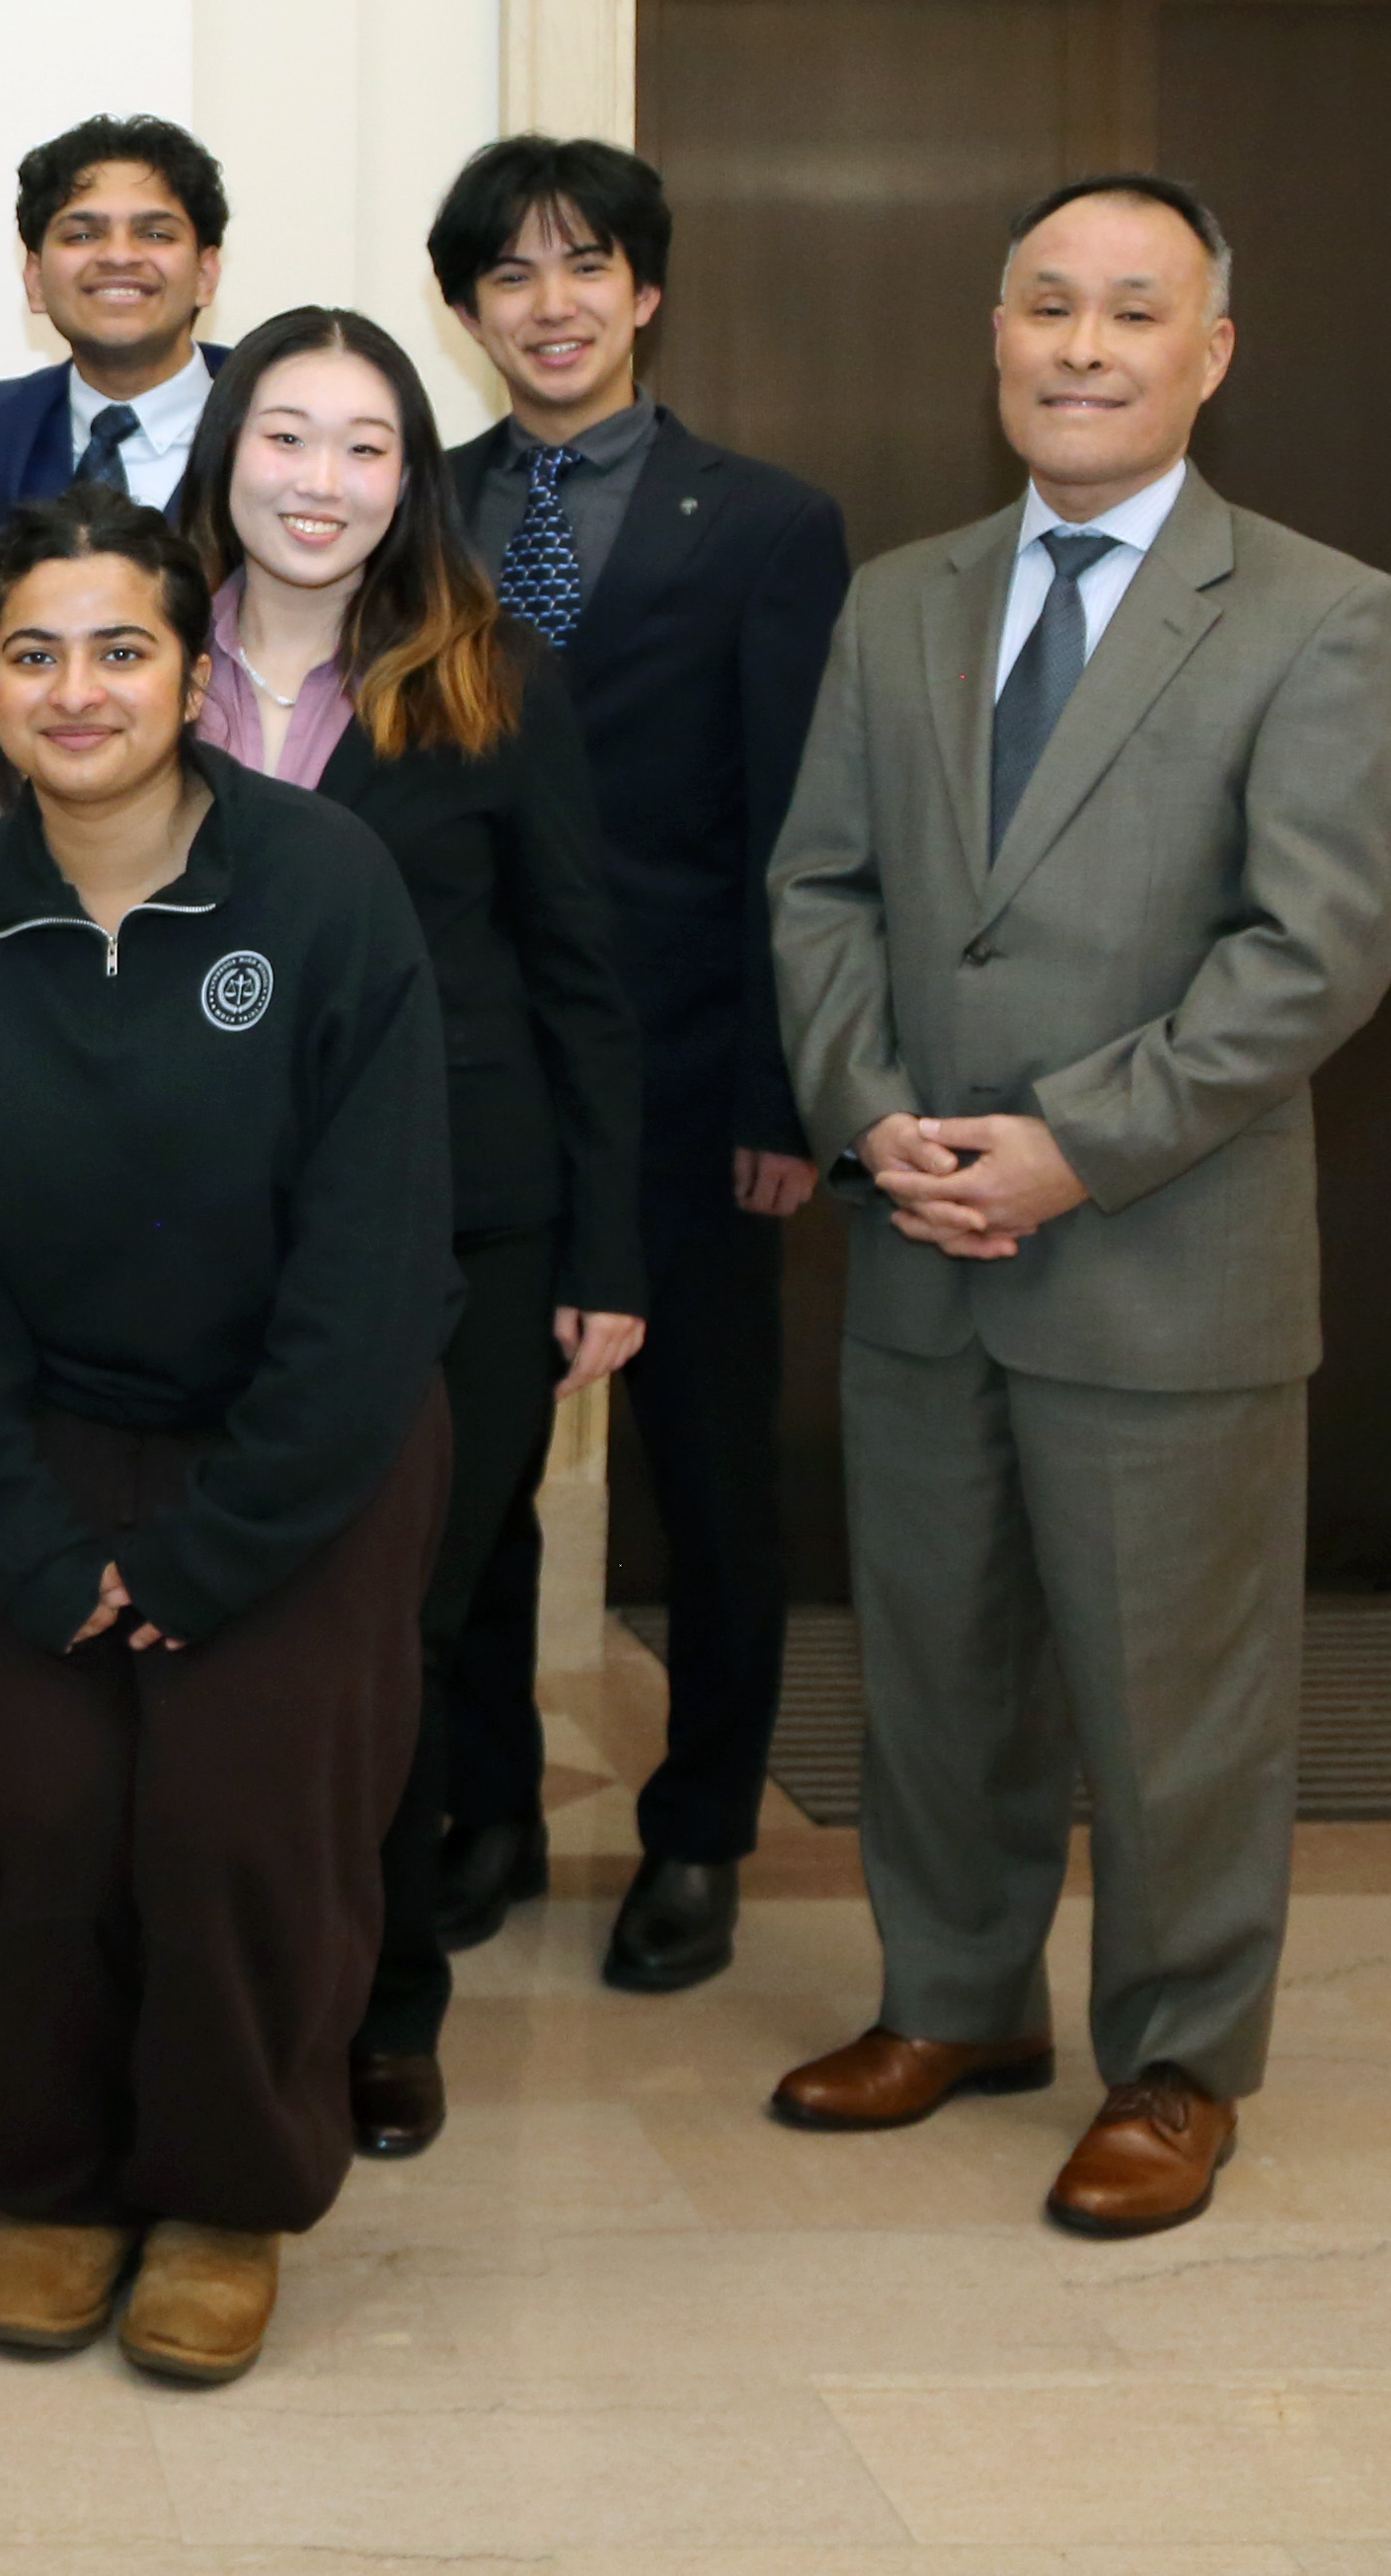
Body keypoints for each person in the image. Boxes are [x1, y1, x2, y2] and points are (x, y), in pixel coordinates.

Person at [764, 174, 1391, 2241]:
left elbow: (1312, 948)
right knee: (935, 1663)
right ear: (991, 335)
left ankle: (1172, 2057)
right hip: (917, 1242)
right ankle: (953, 1998)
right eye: (1044, 303)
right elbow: (821, 888)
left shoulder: (1322, 612)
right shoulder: (896, 598)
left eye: (1129, 311)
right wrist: (876, 1119)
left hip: (1159, 1251)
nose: (1078, 344)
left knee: (1174, 1700)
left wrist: (1067, 1139)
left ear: (1205, 352)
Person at [0, 487, 449, 2387]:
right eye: (32, 650)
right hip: (46, 1442)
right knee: (35, 1808)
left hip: (301, 1448)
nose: (75, 688)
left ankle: (226, 2190)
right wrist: (45, 1547)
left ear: (195, 671)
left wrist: (214, 1549)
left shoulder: (321, 885)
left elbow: (372, 1269)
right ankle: (52, 2172)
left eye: (119, 647)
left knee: (234, 1815)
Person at [164, 308, 641, 2166]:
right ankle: (215, 1975)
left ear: (411, 480)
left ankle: (386, 2006)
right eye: (288, 436)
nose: (323, 482)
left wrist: (611, 1250)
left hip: (461, 1230)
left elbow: (584, 982)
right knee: (224, 1617)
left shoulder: (489, 674)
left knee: (409, 1626)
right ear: (226, 453)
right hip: (192, 1227)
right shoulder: (133, 657)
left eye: (368, 447)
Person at [425, 137, 850, 1995]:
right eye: (511, 275)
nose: (552, 303)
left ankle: (697, 1834)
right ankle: (490, 1804)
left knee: (710, 1478)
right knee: (473, 1475)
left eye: (587, 265)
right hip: (474, 1086)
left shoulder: (765, 521)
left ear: (647, 289)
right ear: (464, 310)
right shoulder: (408, 506)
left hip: (688, 1082)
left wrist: (784, 1095)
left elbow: (802, 831)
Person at [0, 117, 230, 517]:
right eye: (81, 235)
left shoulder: (276, 423)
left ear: (205, 275)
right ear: (36, 280)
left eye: (154, 234)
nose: (118, 256)